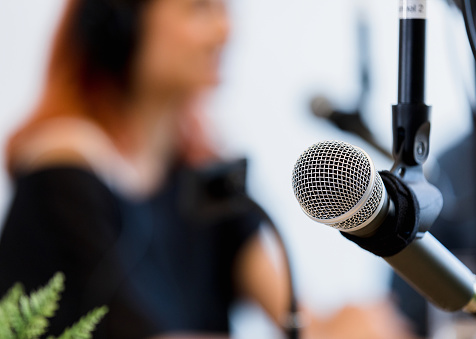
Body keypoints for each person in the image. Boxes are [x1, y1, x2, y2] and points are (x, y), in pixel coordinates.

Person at [0, 1, 418, 338]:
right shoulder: (63, 169)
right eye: (200, 8)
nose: (225, 31)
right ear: (121, 25)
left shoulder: (205, 172)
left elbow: (297, 320)